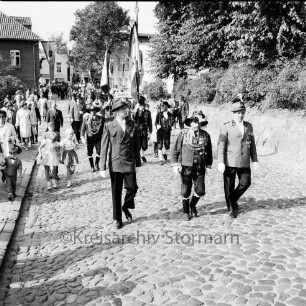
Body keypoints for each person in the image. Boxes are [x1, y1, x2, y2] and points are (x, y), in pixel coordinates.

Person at [100, 98, 141, 229]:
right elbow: (104, 147)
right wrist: (102, 166)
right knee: (116, 192)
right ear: (117, 111)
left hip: (129, 161)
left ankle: (126, 206)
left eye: (127, 108)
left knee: (133, 187)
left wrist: (138, 162)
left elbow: (136, 144)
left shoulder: (132, 124)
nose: (126, 110)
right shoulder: (109, 126)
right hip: (115, 162)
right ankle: (117, 218)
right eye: (123, 109)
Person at [217, 96, 259, 218]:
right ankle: (231, 208)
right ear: (234, 114)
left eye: (242, 113)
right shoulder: (226, 126)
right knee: (228, 186)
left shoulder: (249, 126)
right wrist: (220, 161)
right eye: (238, 113)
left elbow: (252, 144)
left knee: (246, 183)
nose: (240, 115)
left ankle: (232, 199)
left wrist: (255, 160)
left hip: (244, 161)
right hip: (230, 161)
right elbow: (221, 145)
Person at [171, 110, 213, 220]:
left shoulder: (206, 136)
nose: (196, 125)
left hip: (200, 166)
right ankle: (186, 212)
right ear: (190, 123)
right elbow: (175, 150)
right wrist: (175, 164)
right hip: (186, 166)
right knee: (185, 191)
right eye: (194, 122)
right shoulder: (183, 134)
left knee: (200, 190)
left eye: (198, 123)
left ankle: (192, 205)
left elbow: (209, 151)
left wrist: (208, 164)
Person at [81, 105, 104, 172]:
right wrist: (82, 136)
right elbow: (83, 127)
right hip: (90, 137)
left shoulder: (100, 118)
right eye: (91, 111)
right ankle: (92, 166)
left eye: (94, 111)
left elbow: (104, 128)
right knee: (89, 153)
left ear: (96, 111)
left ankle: (96, 164)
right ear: (90, 112)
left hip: (98, 138)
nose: (93, 112)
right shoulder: (86, 119)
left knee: (99, 152)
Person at [133, 96, 152, 163]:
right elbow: (134, 118)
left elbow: (150, 121)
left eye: (143, 105)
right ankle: (138, 158)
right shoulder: (136, 112)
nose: (142, 106)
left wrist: (150, 131)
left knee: (144, 146)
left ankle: (142, 154)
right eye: (141, 105)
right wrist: (136, 110)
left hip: (144, 130)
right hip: (137, 130)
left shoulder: (148, 112)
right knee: (138, 145)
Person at [155, 101, 174, 165]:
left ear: (167, 107)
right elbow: (156, 122)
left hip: (167, 131)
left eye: (165, 106)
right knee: (160, 144)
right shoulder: (159, 114)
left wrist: (170, 120)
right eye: (162, 106)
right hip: (160, 131)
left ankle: (164, 152)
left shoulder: (170, 114)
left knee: (167, 145)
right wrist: (157, 125)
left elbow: (172, 123)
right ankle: (160, 159)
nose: (163, 107)